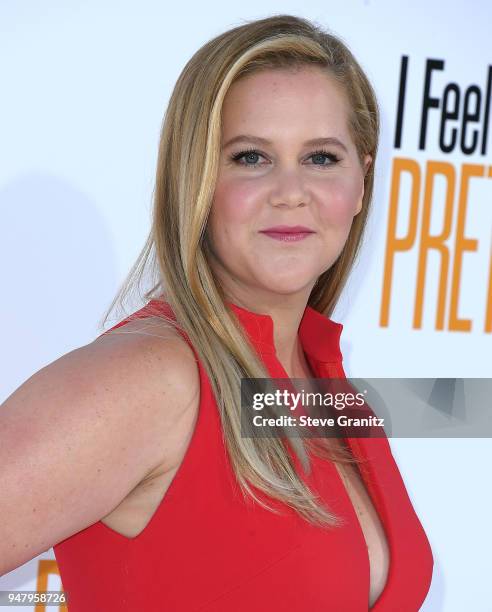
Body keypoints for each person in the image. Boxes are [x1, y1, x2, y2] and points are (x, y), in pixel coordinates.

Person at [0, 13, 433, 611]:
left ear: (361, 182)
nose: (290, 190)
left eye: (322, 158)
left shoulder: (327, 384)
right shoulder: (152, 380)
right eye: (251, 157)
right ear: (196, 178)